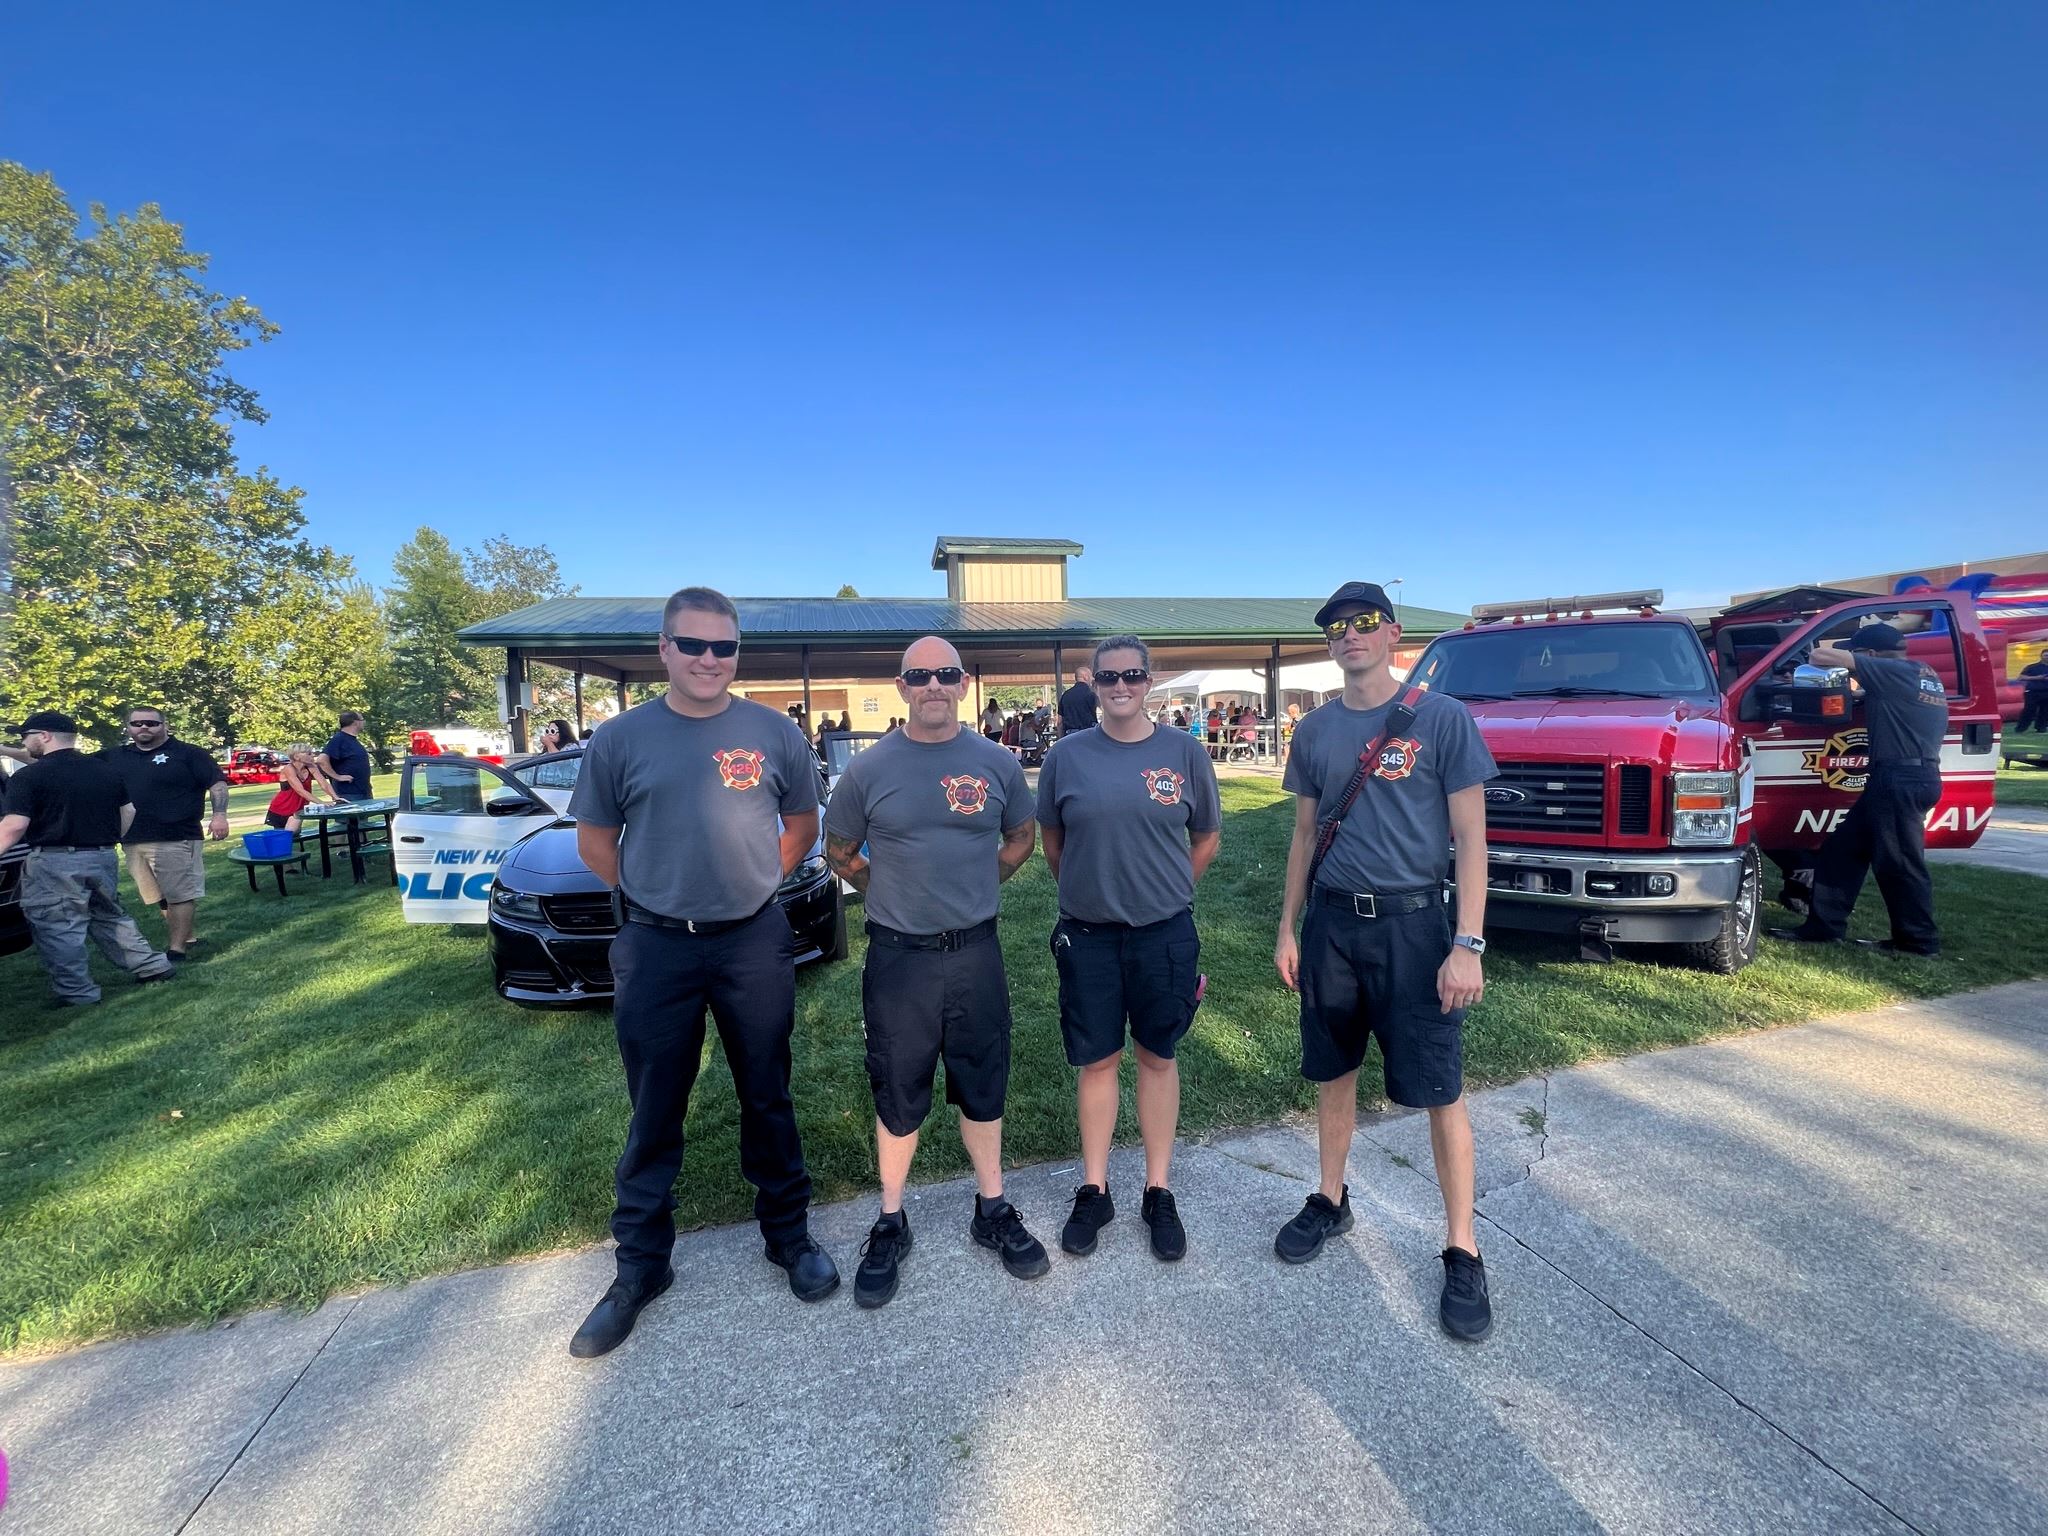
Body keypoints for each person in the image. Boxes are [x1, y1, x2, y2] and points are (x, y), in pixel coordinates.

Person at [564, 586, 838, 1357]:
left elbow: (803, 824)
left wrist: (753, 882)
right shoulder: (619, 739)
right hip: (656, 945)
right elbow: (595, 842)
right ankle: (641, 1269)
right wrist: (653, 892)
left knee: (767, 1090)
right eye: (693, 645)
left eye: (724, 647)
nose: (709, 660)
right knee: (655, 1106)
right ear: (664, 650)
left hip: (752, 939)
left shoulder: (771, 731)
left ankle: (789, 1237)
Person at [1273, 581, 1498, 1342]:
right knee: (1334, 1071)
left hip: (1415, 927)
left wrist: (1467, 943)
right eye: (1337, 627)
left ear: (1392, 634)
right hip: (1334, 925)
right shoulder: (1315, 732)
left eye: (1364, 623)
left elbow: (1472, 840)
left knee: (1440, 1087)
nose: (1350, 635)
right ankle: (1331, 1199)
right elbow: (1304, 837)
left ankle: (1461, 1247)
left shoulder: (1442, 720)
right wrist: (1287, 928)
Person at [824, 636, 1044, 1309]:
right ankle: (891, 1220)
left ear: (962, 683)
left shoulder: (994, 761)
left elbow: (1021, 837)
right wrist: (882, 883)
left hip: (977, 952)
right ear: (902, 687)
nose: (934, 686)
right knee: (898, 1086)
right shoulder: (869, 769)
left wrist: (987, 881)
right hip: (901, 958)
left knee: (983, 1080)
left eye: (946, 674)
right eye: (920, 676)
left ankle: (993, 1208)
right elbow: (838, 849)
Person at [1038, 637, 1221, 1262]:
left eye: (1133, 675)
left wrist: (1166, 890)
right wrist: (1093, 895)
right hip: (1088, 935)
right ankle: (1095, 1187)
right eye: (1109, 676)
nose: (1121, 686)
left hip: (1164, 934)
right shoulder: (1067, 757)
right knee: (1097, 1061)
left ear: (1151, 679)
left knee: (1157, 1056)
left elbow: (1207, 836)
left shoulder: (1185, 752)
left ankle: (1157, 1188)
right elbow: (1053, 844)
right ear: (1092, 682)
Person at [1776, 623, 1949, 957]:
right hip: (1907, 777)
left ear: (1869, 655)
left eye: (1857, 654)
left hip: (1899, 779)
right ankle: (1823, 929)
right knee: (1841, 851)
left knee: (1900, 864)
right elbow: (1866, 698)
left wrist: (1843, 660)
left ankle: (1918, 942)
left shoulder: (1890, 670)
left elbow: (1819, 654)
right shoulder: (1919, 673)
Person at [0, 711, 176, 1005]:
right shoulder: (103, 770)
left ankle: (77, 993)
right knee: (108, 915)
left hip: (55, 861)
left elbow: (14, 825)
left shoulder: (28, 776)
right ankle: (152, 966)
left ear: (44, 736)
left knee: (58, 925)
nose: (23, 743)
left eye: (26, 736)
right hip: (102, 856)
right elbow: (129, 811)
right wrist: (107, 840)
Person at [115, 706, 230, 963]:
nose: (144, 728)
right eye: (137, 724)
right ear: (129, 728)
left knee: (180, 894)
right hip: (132, 839)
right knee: (159, 896)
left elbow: (217, 783)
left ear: (164, 725)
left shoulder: (188, 754)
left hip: (176, 835)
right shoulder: (115, 756)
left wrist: (219, 815)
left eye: (151, 723)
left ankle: (176, 949)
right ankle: (187, 937)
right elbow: (65, 761)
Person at [265, 746, 333, 833]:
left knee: (294, 835)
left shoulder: (311, 767)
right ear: (297, 757)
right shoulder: (288, 768)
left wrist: (335, 797)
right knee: (285, 838)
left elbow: (324, 784)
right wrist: (321, 803)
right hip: (282, 808)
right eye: (308, 754)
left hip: (298, 809)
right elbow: (300, 790)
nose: (312, 755)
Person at [317, 711, 375, 803]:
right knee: (348, 817)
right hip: (348, 793)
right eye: (362, 719)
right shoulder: (339, 739)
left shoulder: (351, 739)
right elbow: (321, 760)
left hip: (362, 791)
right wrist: (337, 777)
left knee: (362, 817)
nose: (364, 722)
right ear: (355, 722)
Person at [1058, 664, 1097, 738]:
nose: (1092, 679)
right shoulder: (1091, 694)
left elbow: (1059, 722)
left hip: (1070, 735)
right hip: (1088, 734)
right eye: (1091, 676)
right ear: (1086, 677)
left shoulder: (1065, 695)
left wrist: (1060, 739)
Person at [2018, 657, 2048, 734]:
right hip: (2032, 691)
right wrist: (2037, 678)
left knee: (2045, 711)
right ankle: (2021, 727)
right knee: (2029, 709)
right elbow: (2021, 677)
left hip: (2046, 691)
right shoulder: (2032, 667)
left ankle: (2041, 727)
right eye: (2045, 655)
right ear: (2041, 656)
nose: (2047, 657)